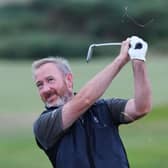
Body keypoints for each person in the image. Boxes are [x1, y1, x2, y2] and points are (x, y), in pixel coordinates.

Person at [32, 36, 152, 168]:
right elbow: (85, 99)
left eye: (50, 80)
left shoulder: (103, 108)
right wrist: (120, 60)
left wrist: (138, 60)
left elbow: (141, 107)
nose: (45, 89)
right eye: (39, 85)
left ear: (69, 80)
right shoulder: (44, 125)